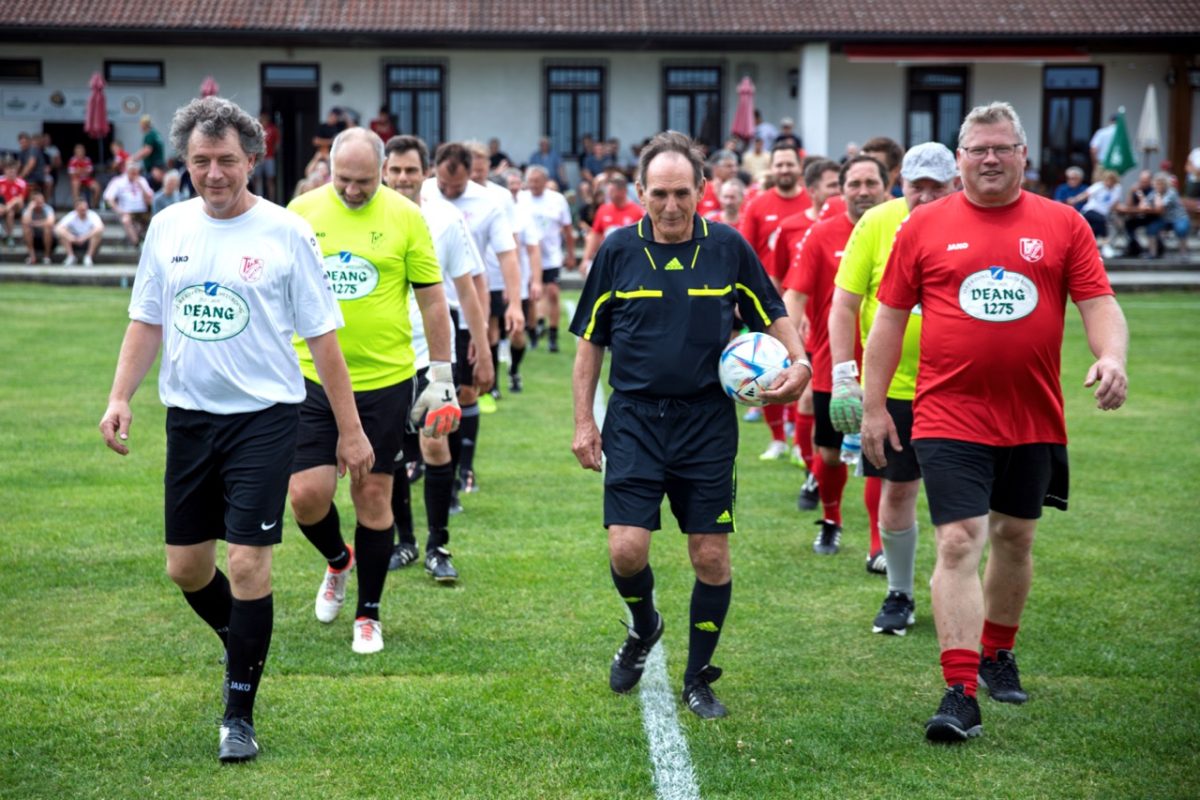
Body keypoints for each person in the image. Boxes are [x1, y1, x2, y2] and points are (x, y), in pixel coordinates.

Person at [98, 95, 374, 763]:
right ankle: (243, 639)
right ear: (185, 162)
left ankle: (238, 715)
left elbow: (323, 339)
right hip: (190, 420)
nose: (213, 174)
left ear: (252, 160)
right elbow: (147, 320)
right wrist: (120, 396)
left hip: (265, 420)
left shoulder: (286, 233)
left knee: (248, 564)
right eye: (200, 161)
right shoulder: (168, 227)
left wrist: (350, 430)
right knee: (186, 568)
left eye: (226, 160)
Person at [860, 101, 1128, 743]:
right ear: (959, 159)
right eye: (977, 149)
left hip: (1032, 415)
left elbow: (1099, 303)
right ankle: (958, 693)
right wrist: (873, 406)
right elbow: (889, 319)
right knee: (958, 540)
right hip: (948, 414)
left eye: (1001, 148)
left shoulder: (1063, 224)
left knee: (1015, 538)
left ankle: (997, 652)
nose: (989, 159)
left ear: (1022, 155)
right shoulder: (923, 227)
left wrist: (1112, 356)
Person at [570, 130, 812, 719]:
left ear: (703, 188)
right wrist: (584, 422)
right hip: (634, 419)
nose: (672, 205)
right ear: (640, 192)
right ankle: (644, 626)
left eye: (682, 192)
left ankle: (699, 676)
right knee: (627, 550)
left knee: (710, 557)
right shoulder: (618, 251)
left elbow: (771, 311)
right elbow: (589, 344)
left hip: (706, 423)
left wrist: (800, 362)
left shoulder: (727, 247)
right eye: (659, 193)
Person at [287, 127, 459, 651]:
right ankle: (339, 559)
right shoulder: (301, 212)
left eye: (364, 181)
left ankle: (369, 613)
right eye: (343, 179)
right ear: (329, 168)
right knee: (306, 496)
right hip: (310, 376)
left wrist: (442, 377)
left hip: (384, 381)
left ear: (382, 172)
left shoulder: (406, 217)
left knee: (373, 495)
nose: (352, 190)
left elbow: (433, 301)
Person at [827, 142, 959, 628]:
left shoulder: (972, 223)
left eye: (935, 187)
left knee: (959, 502)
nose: (924, 197)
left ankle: (958, 591)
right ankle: (899, 593)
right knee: (898, 491)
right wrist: (845, 377)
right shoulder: (877, 222)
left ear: (956, 185)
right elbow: (844, 304)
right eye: (914, 187)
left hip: (957, 389)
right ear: (900, 185)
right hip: (894, 390)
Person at [381, 133, 493, 575]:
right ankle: (404, 542)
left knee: (434, 439)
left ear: (425, 172)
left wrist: (483, 347)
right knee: (391, 450)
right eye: (395, 170)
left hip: (433, 350)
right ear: (384, 171)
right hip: (382, 354)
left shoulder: (446, 220)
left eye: (411, 170)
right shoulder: (368, 216)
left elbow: (466, 290)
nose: (403, 177)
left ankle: (437, 547)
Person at [782, 155, 889, 556]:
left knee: (881, 455)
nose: (863, 191)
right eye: (854, 184)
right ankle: (831, 520)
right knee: (829, 455)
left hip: (889, 366)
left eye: (871, 183)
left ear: (886, 185)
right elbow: (795, 295)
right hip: (834, 365)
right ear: (841, 190)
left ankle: (878, 545)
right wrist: (789, 350)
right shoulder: (822, 235)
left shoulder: (901, 229)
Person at [422, 142, 522, 502]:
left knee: (463, 391)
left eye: (457, 187)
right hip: (421, 309)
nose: (449, 192)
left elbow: (507, 255)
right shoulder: (421, 194)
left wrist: (515, 303)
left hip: (465, 309)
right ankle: (426, 461)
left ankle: (463, 468)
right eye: (443, 185)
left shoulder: (489, 203)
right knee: (422, 393)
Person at [771, 158, 841, 497]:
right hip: (807, 330)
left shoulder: (856, 226)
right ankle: (809, 467)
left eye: (840, 185)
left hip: (839, 330)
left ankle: (818, 472)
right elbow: (782, 279)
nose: (839, 192)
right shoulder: (793, 227)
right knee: (809, 399)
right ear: (813, 190)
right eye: (833, 185)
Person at [739, 142, 810, 460]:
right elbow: (744, 253)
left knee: (800, 365)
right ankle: (778, 438)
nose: (784, 170)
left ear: (799, 167)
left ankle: (798, 434)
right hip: (764, 303)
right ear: (771, 168)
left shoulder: (811, 202)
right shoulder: (758, 205)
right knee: (767, 368)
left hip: (804, 300)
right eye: (779, 164)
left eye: (789, 164)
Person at [521, 163, 575, 352]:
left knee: (552, 293)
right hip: (527, 257)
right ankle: (533, 333)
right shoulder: (521, 199)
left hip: (551, 255)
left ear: (545, 181)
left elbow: (568, 229)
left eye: (537, 181)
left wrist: (570, 254)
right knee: (531, 297)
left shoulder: (557, 200)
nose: (534, 184)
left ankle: (553, 336)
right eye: (530, 181)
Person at [581, 173, 642, 275]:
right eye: (608, 191)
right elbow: (595, 235)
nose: (609, 194)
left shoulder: (638, 212)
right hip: (608, 259)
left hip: (630, 261)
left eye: (612, 191)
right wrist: (586, 259)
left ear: (623, 191)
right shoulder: (603, 210)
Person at [103, 161, 153, 246]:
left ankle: (141, 240)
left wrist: (141, 186)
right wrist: (119, 210)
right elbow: (108, 198)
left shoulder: (142, 180)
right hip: (126, 212)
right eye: (132, 171)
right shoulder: (118, 181)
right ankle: (137, 244)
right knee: (126, 220)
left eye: (135, 171)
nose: (134, 174)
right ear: (126, 171)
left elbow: (150, 199)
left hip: (143, 212)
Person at [55, 197, 105, 266]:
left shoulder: (92, 215)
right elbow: (58, 228)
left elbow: (100, 227)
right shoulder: (71, 215)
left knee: (97, 233)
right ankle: (71, 256)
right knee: (62, 232)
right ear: (76, 209)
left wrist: (84, 237)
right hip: (74, 241)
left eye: (85, 208)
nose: (84, 210)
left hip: (88, 241)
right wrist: (71, 237)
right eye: (81, 209)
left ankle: (88, 257)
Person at [20, 188, 55, 264]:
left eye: (41, 200)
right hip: (33, 238)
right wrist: (30, 209)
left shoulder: (48, 208)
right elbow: (25, 222)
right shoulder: (28, 209)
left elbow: (50, 222)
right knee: (26, 229)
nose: (40, 203)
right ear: (33, 202)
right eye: (37, 201)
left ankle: (47, 256)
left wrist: (34, 223)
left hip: (49, 239)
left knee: (47, 229)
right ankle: (32, 256)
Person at [131, 115, 167, 186]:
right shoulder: (156, 133)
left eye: (141, 124)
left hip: (154, 168)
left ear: (144, 125)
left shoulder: (149, 135)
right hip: (160, 167)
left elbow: (147, 150)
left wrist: (133, 158)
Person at [254, 111, 281, 202]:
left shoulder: (272, 129)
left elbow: (277, 143)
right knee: (257, 179)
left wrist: (273, 152)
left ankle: (272, 200)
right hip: (258, 157)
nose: (264, 119)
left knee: (270, 180)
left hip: (269, 157)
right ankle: (257, 199)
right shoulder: (256, 129)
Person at [0, 159, 27, 247]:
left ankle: (8, 236)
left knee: (16, 200)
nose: (11, 173)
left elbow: (21, 201)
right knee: (10, 213)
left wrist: (7, 206)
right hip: (2, 206)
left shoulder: (21, 183)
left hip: (16, 208)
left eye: (13, 171)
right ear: (5, 171)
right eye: (9, 170)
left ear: (16, 171)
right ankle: (9, 237)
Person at [68, 143, 98, 207]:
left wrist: (79, 171)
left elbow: (90, 173)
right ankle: (76, 206)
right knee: (75, 183)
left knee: (97, 187)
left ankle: (93, 206)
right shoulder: (73, 160)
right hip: (77, 179)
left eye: (82, 151)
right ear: (75, 152)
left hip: (87, 179)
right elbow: (72, 174)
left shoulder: (87, 159)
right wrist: (83, 171)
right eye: (78, 151)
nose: (80, 153)